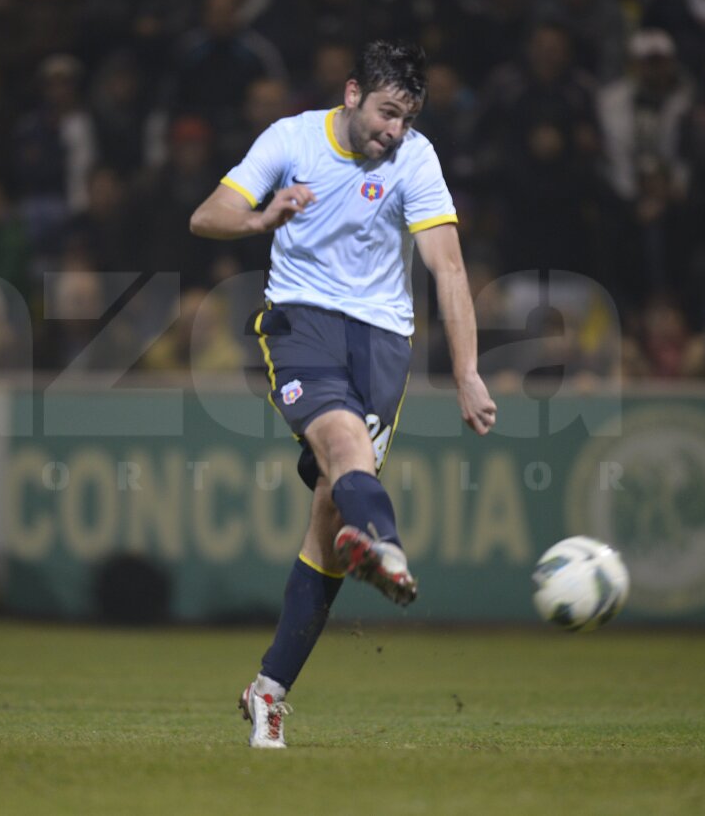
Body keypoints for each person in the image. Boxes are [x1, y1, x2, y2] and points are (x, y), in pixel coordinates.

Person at [190, 40, 497, 749]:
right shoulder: (292, 139)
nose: (394, 129)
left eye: (407, 117)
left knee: (329, 522)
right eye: (387, 112)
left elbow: (448, 268)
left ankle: (268, 690)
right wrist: (261, 218)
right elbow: (207, 215)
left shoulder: (415, 159)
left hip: (384, 343)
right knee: (342, 442)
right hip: (302, 323)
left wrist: (470, 369)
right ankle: (386, 546)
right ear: (354, 93)